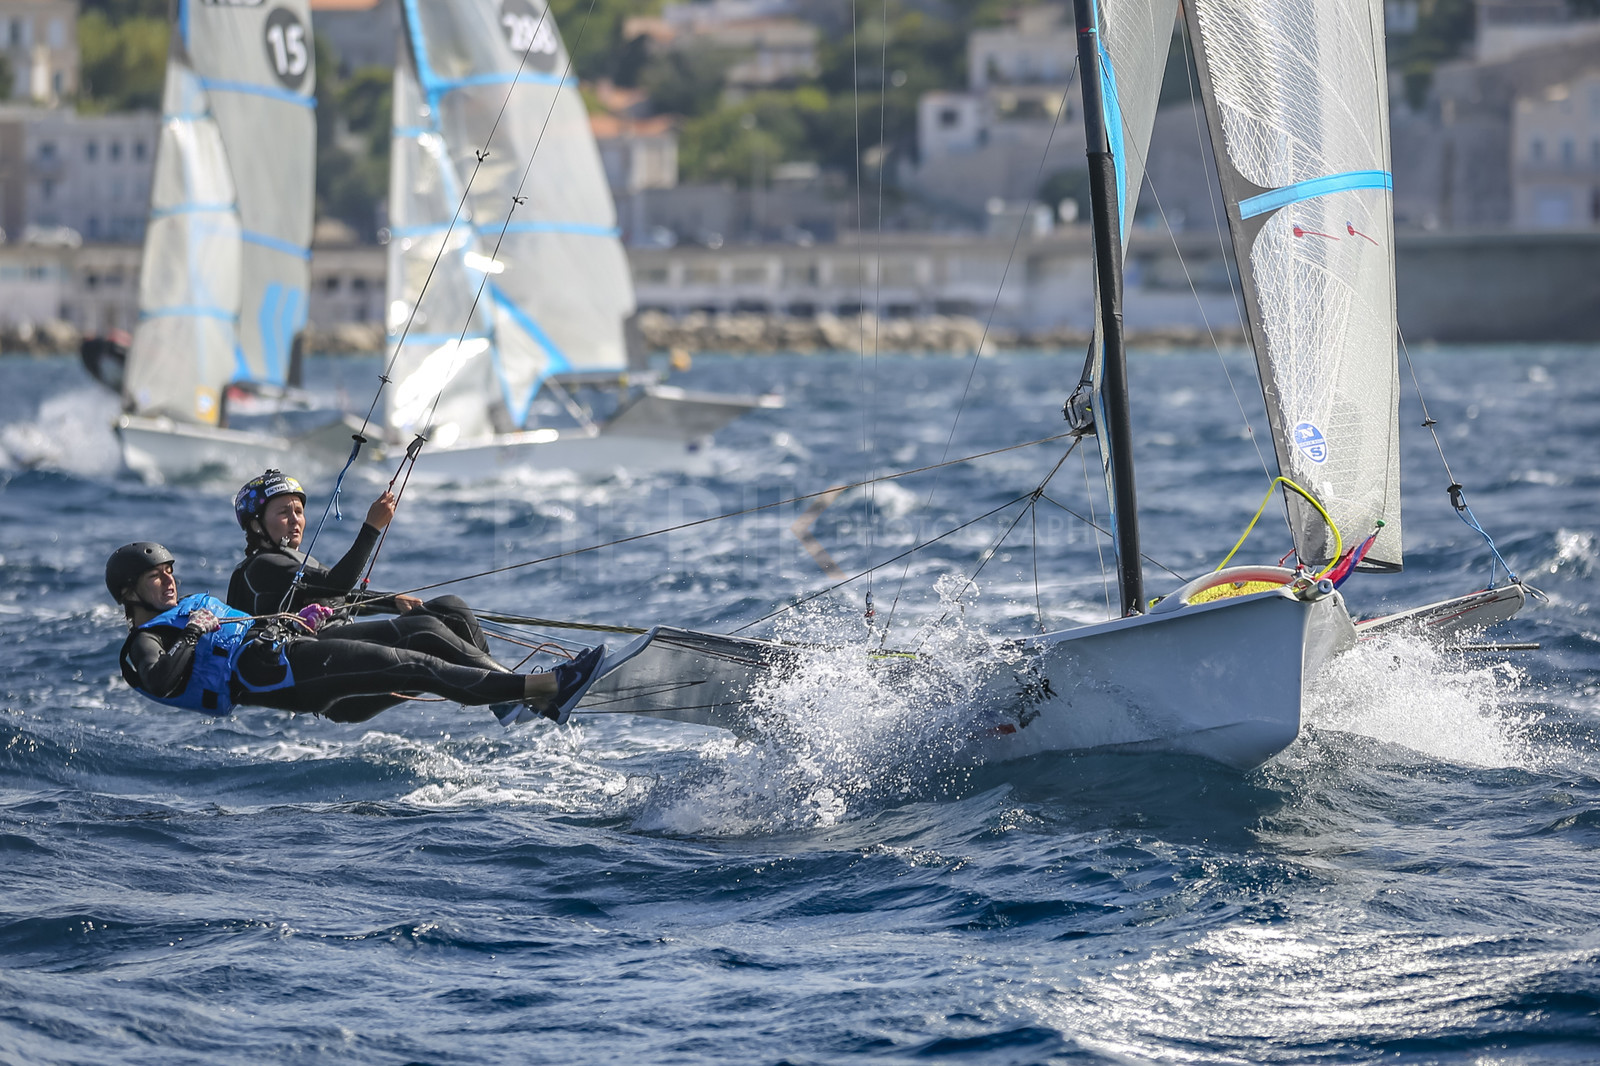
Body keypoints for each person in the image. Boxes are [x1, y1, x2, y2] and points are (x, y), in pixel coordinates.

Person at [109, 542, 605, 726]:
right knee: (416, 668)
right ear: (130, 592)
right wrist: (192, 634)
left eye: (170, 572)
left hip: (290, 649)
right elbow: (159, 680)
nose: (169, 581)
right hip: (276, 678)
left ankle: (527, 692)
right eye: (156, 577)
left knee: (421, 634)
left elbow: (247, 628)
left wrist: (300, 618)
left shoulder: (187, 610)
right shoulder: (145, 641)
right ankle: (546, 688)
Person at [227, 469, 500, 672]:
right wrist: (371, 528)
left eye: (299, 511)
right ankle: (505, 689)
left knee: (451, 608)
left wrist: (391, 601)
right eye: (283, 512)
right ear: (256, 525)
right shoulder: (263, 565)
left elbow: (337, 597)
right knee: (426, 628)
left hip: (343, 644)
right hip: (322, 662)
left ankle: (503, 687)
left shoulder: (292, 562)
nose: (295, 520)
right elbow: (337, 584)